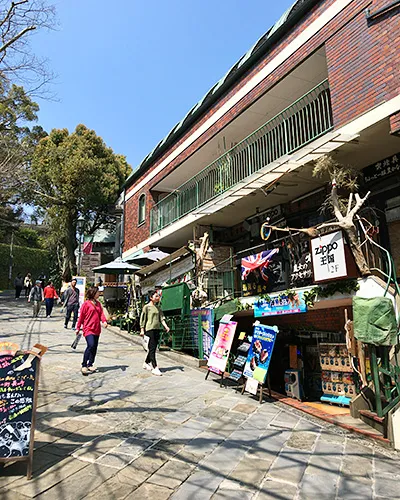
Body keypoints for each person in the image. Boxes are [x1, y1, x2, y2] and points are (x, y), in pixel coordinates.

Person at [75, 286, 108, 375]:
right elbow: (81, 317)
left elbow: (101, 314)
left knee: (94, 347)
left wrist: (104, 321)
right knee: (91, 345)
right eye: (97, 292)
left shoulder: (98, 304)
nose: (99, 294)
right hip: (88, 328)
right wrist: (78, 327)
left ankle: (90, 364)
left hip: (97, 329)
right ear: (93, 293)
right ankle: (84, 365)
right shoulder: (86, 304)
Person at [140, 290, 170, 376]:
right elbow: (143, 319)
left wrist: (166, 326)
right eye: (156, 296)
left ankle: (146, 363)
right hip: (149, 329)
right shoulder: (146, 307)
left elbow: (162, 318)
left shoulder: (158, 308)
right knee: (152, 348)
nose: (158, 298)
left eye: (158, 296)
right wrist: (142, 329)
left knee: (153, 348)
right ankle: (155, 367)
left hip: (157, 329)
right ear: (151, 297)